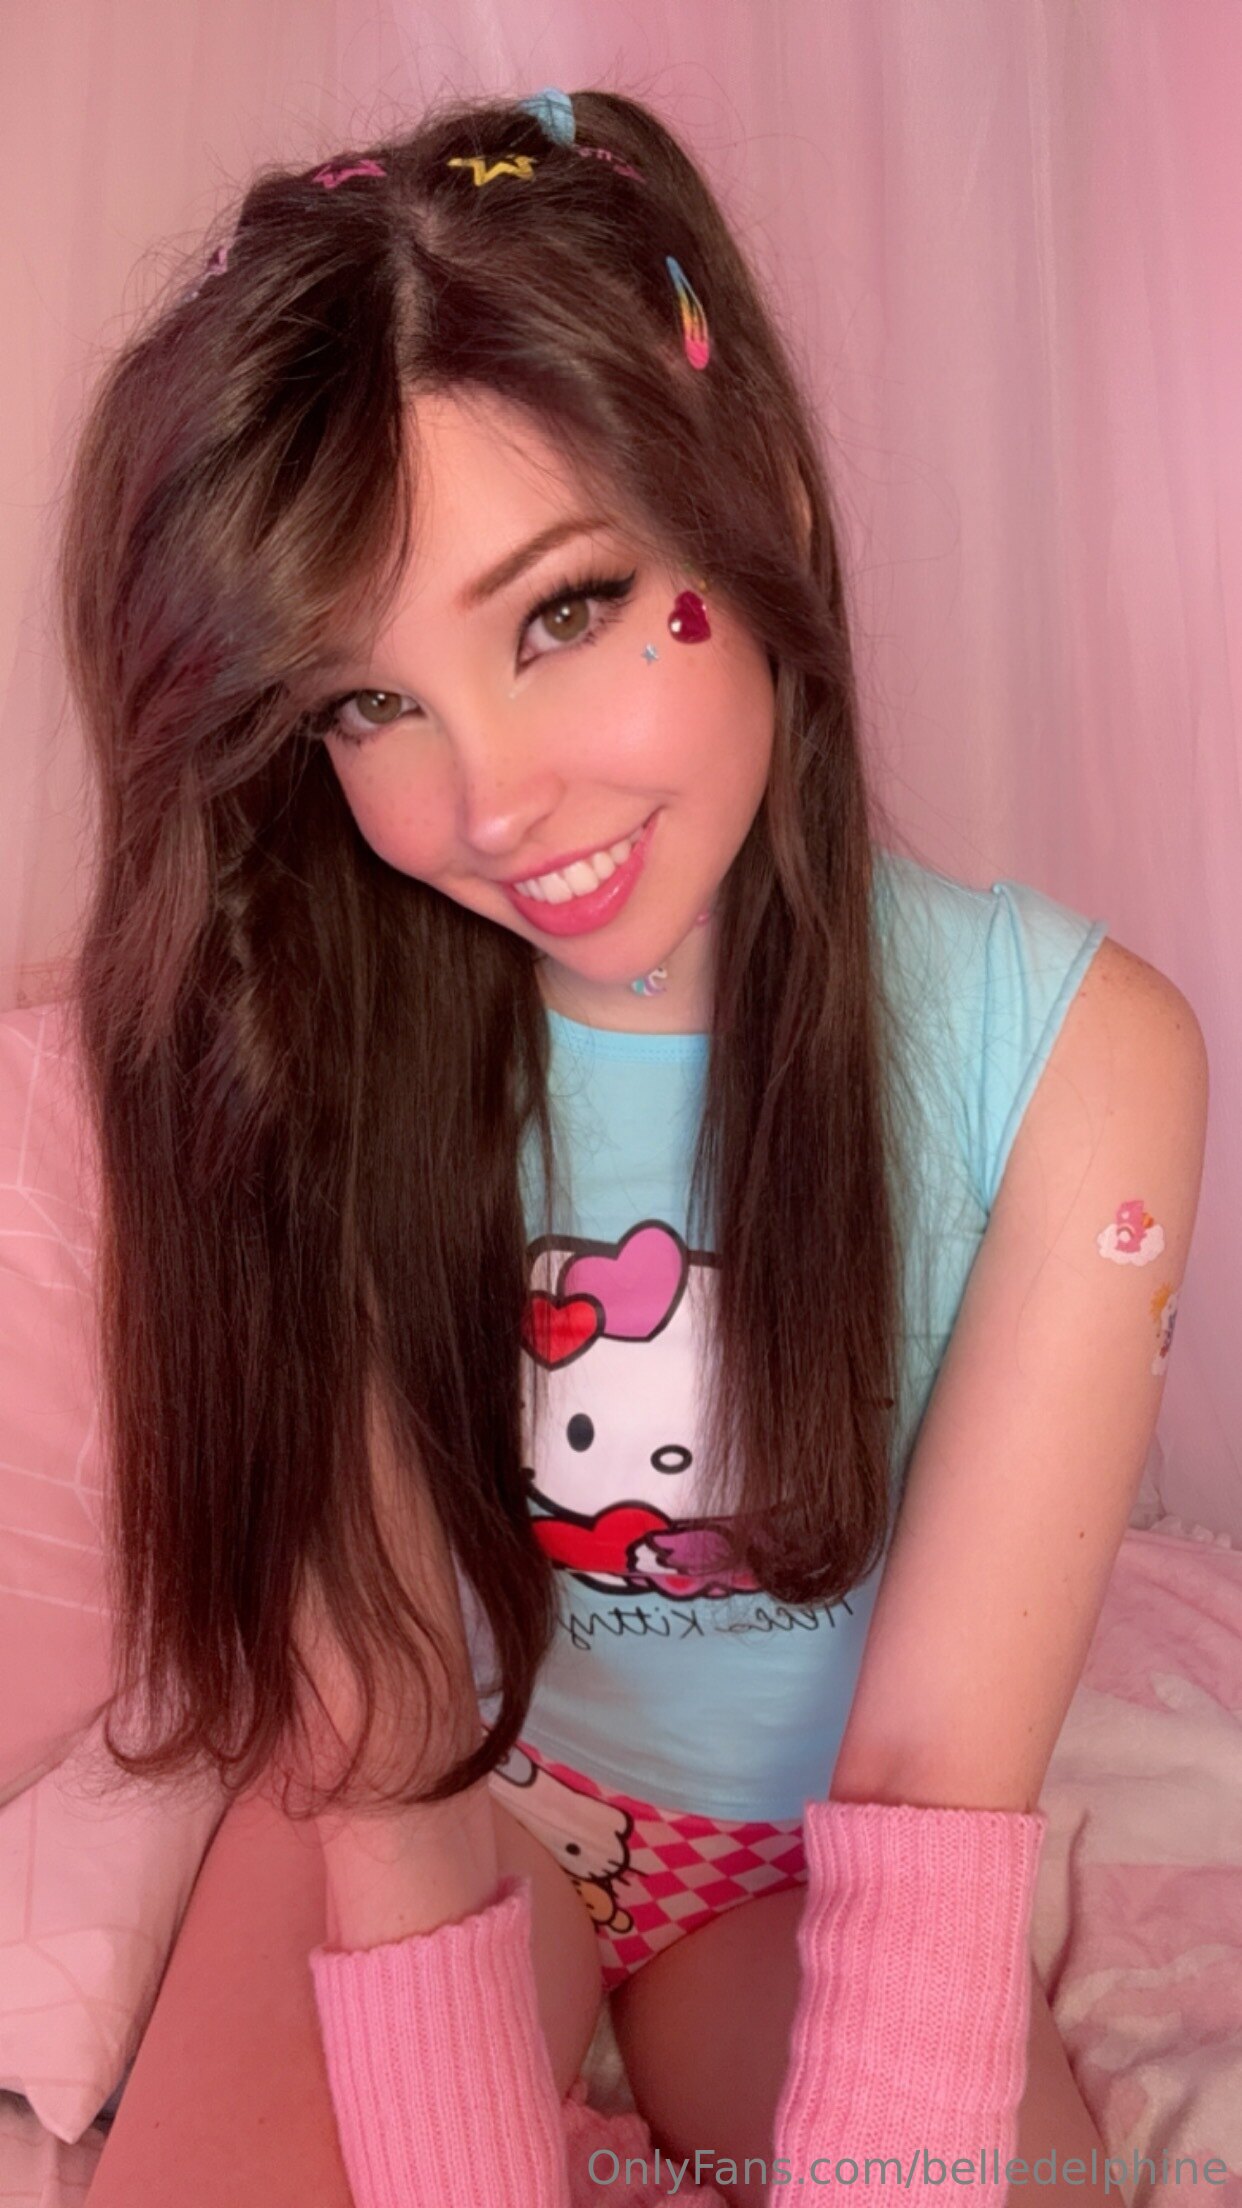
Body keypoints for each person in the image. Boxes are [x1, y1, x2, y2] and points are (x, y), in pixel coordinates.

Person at [61, 86, 1207, 2208]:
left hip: (828, 1852)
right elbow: (392, 1743)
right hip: (470, 1795)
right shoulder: (308, 1037)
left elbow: (934, 1786)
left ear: (750, 487)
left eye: (561, 610)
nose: (492, 800)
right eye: (367, 703)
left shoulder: (1076, 1063)